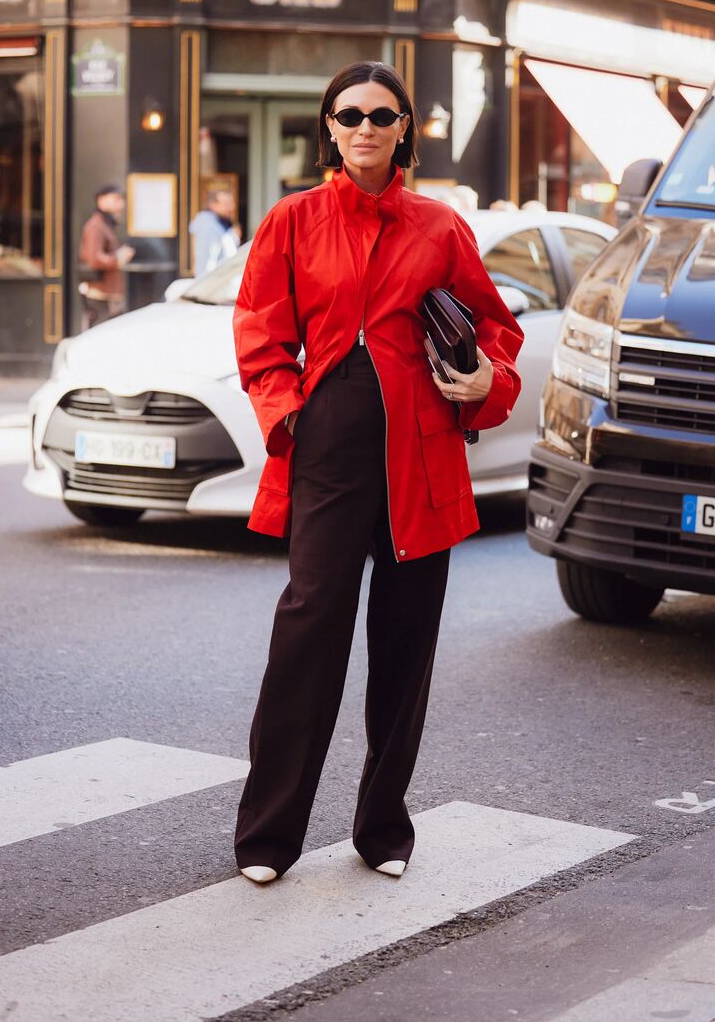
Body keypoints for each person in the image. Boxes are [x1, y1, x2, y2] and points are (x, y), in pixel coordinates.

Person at [232, 61, 524, 885]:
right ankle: (268, 836)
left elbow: (497, 330)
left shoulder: (440, 227)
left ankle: (383, 828)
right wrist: (289, 410)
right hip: (326, 448)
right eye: (348, 113)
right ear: (328, 126)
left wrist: (486, 382)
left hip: (422, 456)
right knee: (307, 636)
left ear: (405, 131)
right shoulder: (292, 220)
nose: (365, 126)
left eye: (382, 114)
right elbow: (258, 333)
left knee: (406, 647)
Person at [78, 184, 135, 328]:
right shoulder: (96, 226)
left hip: (108, 293)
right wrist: (119, 258)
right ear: (101, 201)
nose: (121, 204)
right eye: (116, 199)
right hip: (100, 295)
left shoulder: (104, 224)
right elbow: (94, 259)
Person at [189, 188, 241, 278]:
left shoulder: (221, 225)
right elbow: (204, 266)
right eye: (226, 204)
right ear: (213, 205)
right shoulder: (207, 226)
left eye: (232, 203)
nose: (232, 207)